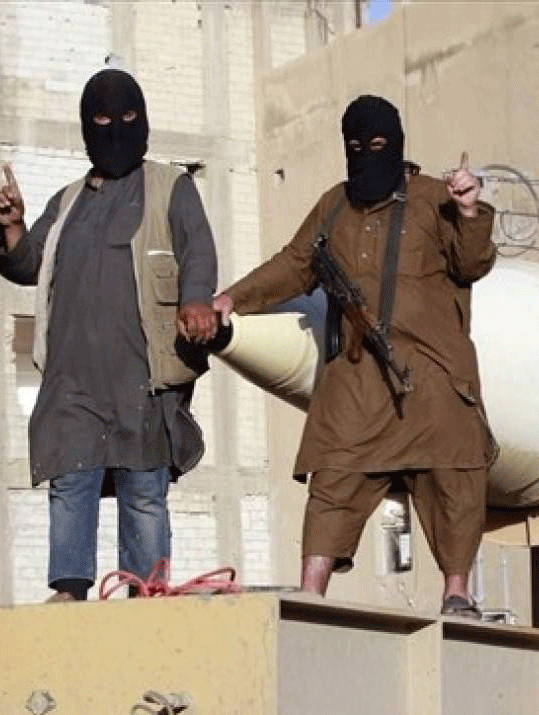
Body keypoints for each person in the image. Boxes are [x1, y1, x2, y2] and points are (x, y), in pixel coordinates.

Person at [212, 95, 496, 617]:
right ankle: (310, 594)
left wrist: (469, 210)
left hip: (432, 368)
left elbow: (472, 263)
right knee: (331, 470)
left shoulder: (435, 199)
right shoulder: (335, 206)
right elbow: (295, 263)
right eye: (356, 146)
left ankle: (456, 591)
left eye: (379, 145)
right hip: (360, 369)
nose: (367, 154)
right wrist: (232, 298)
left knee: (454, 467)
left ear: (398, 145)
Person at [0, 69, 219, 602]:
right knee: (70, 478)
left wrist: (195, 300)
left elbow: (198, 251)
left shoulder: (170, 186)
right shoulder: (68, 201)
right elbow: (27, 264)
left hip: (141, 372)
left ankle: (146, 592)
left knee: (144, 489)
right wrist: (13, 226)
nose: (115, 128)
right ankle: (70, 589)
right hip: (72, 378)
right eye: (101, 119)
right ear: (84, 127)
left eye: (127, 117)